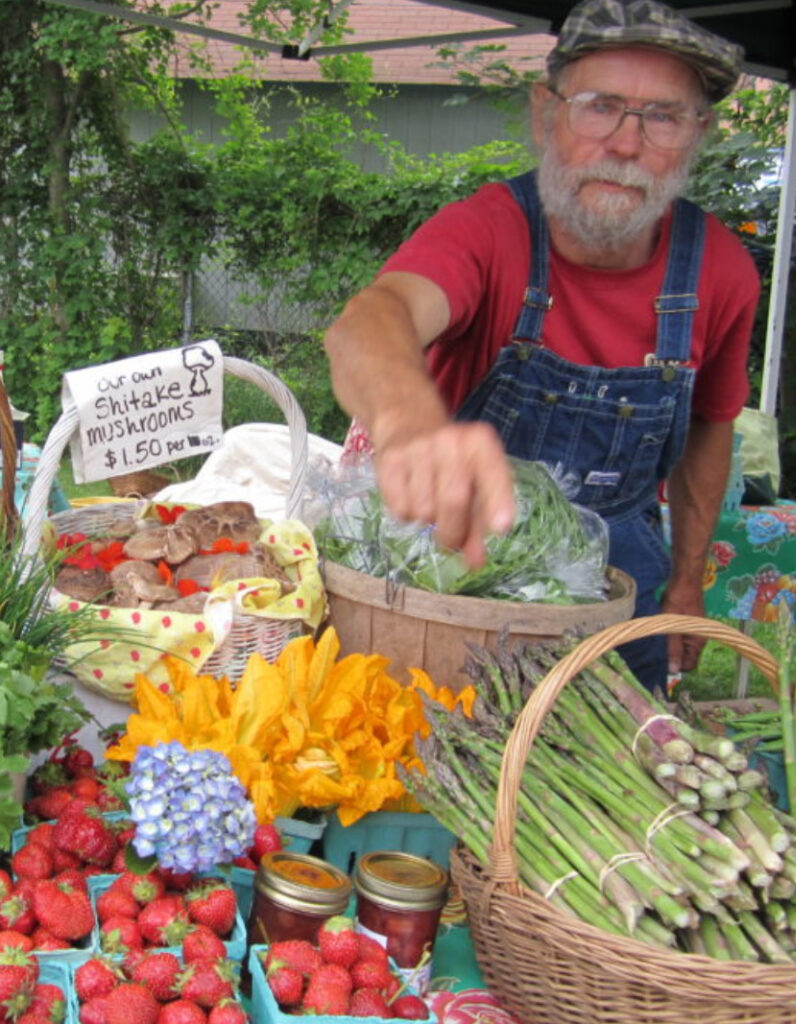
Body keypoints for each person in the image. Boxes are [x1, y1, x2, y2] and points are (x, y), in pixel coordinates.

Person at [323, 0, 759, 693]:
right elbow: (370, 321)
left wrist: (686, 583)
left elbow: (711, 425)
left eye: (663, 117)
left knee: (619, 774)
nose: (625, 143)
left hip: (617, 577)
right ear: (543, 112)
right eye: (599, 106)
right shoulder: (489, 231)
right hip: (456, 571)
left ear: (698, 133)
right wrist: (408, 421)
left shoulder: (723, 271)